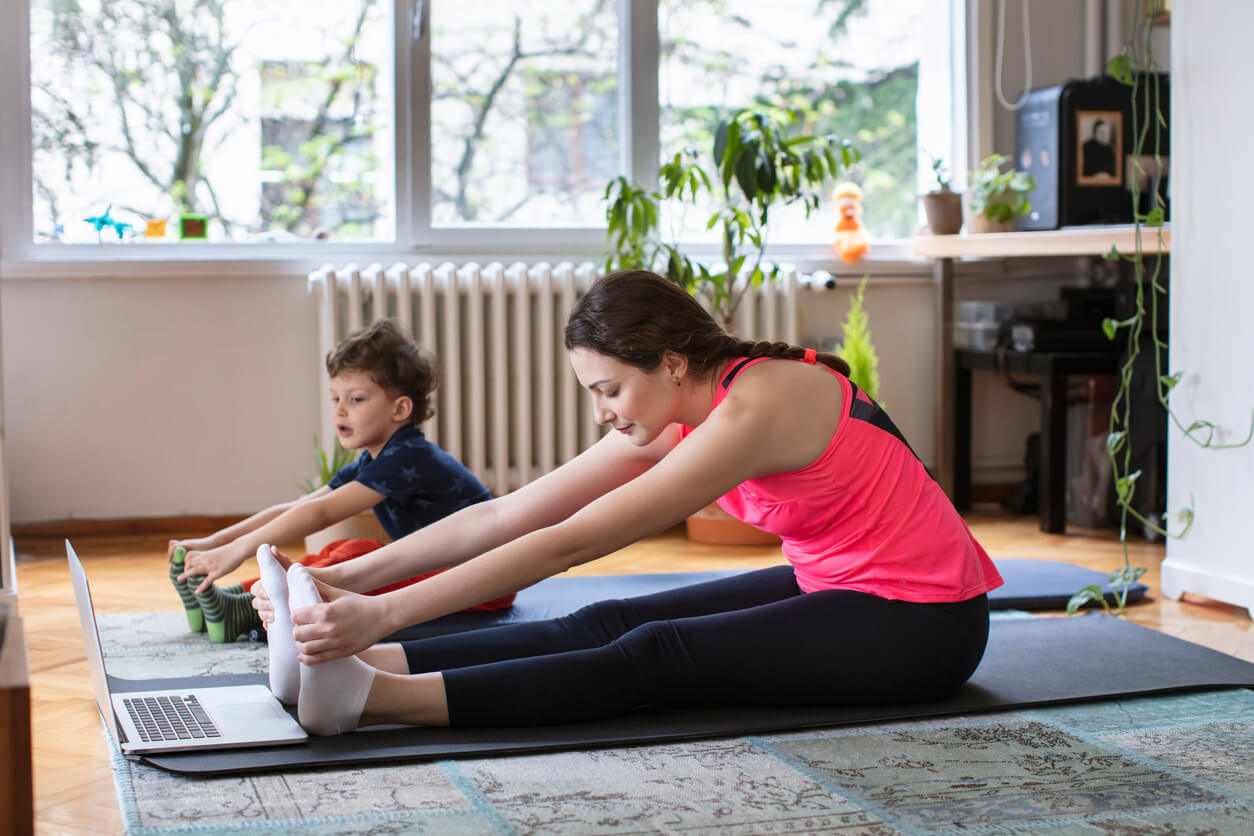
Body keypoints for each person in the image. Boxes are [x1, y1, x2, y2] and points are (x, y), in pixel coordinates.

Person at [251, 269, 1004, 735]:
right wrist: (342, 587)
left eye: (608, 390)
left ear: (672, 363)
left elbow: (570, 542)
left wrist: (383, 606)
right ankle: (370, 662)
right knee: (608, 619)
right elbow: (511, 514)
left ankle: (373, 698)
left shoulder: (756, 407)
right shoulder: (682, 403)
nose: (603, 412)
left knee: (654, 653)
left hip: (924, 620)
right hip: (841, 586)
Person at [168, 319, 510, 643]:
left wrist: (238, 550)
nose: (340, 411)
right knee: (338, 551)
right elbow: (304, 506)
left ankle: (243, 611)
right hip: (437, 570)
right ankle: (232, 599)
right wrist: (216, 542)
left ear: (400, 409)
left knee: (357, 556)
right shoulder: (375, 458)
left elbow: (322, 515)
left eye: (355, 399)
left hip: (478, 580)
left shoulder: (409, 457)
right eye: (336, 398)